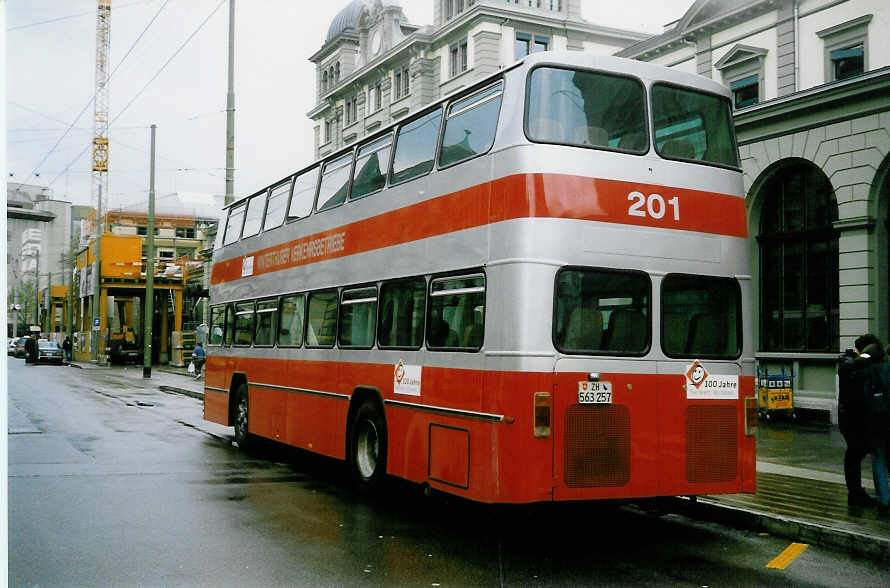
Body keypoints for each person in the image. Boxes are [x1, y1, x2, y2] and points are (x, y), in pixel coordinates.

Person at [838, 334, 880, 507]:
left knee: (856, 453)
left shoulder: (851, 363)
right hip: (852, 417)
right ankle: (855, 494)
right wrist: (870, 355)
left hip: (853, 416)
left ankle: (855, 493)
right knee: (856, 453)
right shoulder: (851, 363)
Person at [860, 340, 890, 515]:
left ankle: (884, 500)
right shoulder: (887, 369)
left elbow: (864, 400)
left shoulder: (867, 373)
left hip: (875, 422)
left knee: (878, 460)